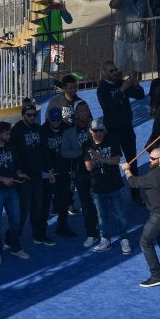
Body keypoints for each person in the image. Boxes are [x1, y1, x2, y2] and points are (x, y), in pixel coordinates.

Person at [122, 142, 160, 288]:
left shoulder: (156, 175)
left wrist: (127, 170)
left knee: (145, 242)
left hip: (158, 215)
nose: (150, 161)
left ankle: (156, 275)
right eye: (150, 158)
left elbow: (134, 183)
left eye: (153, 159)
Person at [96, 60, 145, 205]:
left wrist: (136, 84)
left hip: (127, 129)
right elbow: (107, 106)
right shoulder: (102, 88)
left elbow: (140, 96)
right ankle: (114, 194)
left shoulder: (120, 83)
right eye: (111, 71)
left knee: (132, 162)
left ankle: (135, 194)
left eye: (115, 69)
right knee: (113, 163)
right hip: (112, 131)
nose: (115, 72)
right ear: (104, 72)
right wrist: (121, 90)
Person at [0, 121, 29, 264]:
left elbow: (16, 165)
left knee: (16, 220)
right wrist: (3, 179)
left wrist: (19, 173)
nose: (9, 135)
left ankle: (15, 246)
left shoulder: (10, 145)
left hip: (11, 188)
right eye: (7, 133)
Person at [83, 118, 130, 254]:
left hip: (114, 184)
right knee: (101, 216)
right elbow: (88, 167)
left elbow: (116, 160)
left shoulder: (112, 139)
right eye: (95, 131)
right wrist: (93, 158)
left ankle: (124, 238)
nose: (98, 133)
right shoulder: (87, 145)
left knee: (120, 215)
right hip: (97, 188)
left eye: (100, 130)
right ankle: (105, 239)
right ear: (90, 131)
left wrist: (100, 158)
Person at [13, 104, 56, 247]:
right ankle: (12, 237)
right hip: (24, 176)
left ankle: (38, 235)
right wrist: (19, 171)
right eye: (29, 115)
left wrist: (50, 170)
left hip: (37, 174)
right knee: (23, 209)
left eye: (34, 115)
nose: (32, 117)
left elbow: (45, 151)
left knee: (37, 207)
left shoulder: (39, 129)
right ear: (23, 115)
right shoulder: (17, 130)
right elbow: (15, 153)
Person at [61, 100, 100, 246]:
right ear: (76, 114)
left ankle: (103, 230)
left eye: (86, 110)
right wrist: (77, 153)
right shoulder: (69, 132)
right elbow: (64, 152)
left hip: (98, 171)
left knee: (101, 201)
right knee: (87, 203)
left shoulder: (97, 126)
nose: (84, 114)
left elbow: (107, 142)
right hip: (80, 173)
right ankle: (91, 233)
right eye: (81, 111)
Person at [41, 107, 77, 238]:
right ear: (49, 119)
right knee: (45, 202)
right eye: (53, 120)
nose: (56, 122)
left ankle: (63, 226)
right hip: (49, 173)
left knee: (64, 200)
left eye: (58, 119)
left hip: (64, 170)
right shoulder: (43, 131)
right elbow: (42, 153)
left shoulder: (67, 128)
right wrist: (49, 169)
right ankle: (41, 230)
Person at [110, 0, 151, 77]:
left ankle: (135, 89)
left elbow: (147, 20)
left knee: (138, 70)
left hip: (139, 41)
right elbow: (112, 5)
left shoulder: (143, 0)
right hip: (121, 41)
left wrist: (149, 37)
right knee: (118, 70)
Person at [34, 0, 73, 75]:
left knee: (55, 67)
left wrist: (65, 11)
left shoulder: (57, 6)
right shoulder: (36, 7)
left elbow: (69, 21)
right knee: (39, 67)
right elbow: (33, 23)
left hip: (57, 41)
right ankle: (39, 85)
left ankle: (52, 84)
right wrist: (41, 13)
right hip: (42, 42)